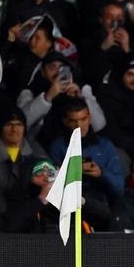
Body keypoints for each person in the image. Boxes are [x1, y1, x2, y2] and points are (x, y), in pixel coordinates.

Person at [48, 97, 124, 231]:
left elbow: (119, 187)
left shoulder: (104, 146)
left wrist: (101, 173)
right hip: (67, 206)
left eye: (83, 119)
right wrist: (73, 170)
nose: (79, 125)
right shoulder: (57, 147)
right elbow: (51, 184)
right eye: (74, 121)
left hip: (100, 204)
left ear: (89, 118)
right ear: (66, 121)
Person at [0, 107, 46, 232]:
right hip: (0, 214)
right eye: (9, 125)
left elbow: (49, 173)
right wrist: (11, 213)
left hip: (31, 209)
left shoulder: (34, 149)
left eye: (19, 124)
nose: (14, 129)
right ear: (1, 128)